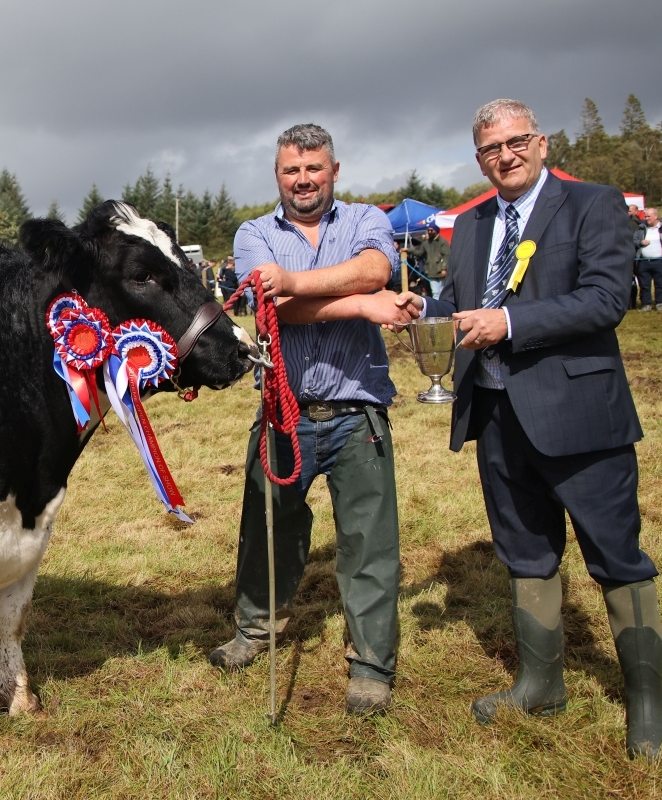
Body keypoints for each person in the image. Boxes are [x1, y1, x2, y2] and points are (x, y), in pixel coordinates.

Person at [393, 99, 662, 760]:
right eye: (492, 148)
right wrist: (424, 308)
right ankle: (541, 683)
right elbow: (464, 303)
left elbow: (608, 298)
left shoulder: (592, 204)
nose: (506, 156)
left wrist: (511, 324)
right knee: (525, 554)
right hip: (495, 417)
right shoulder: (473, 223)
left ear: (541, 143)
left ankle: (645, 706)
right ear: (480, 158)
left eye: (517, 142)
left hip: (582, 420)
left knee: (617, 558)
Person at [208, 123, 418, 717]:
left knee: (368, 544)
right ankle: (256, 630)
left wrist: (301, 283)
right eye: (291, 171)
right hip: (284, 411)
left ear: (334, 170)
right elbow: (276, 307)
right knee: (266, 531)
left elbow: (375, 268)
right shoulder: (253, 234)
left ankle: (372, 663)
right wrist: (360, 304)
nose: (303, 180)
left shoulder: (365, 222)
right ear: (278, 176)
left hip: (359, 411)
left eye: (314, 169)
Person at [634, 207, 662, 311]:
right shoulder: (641, 228)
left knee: (660, 284)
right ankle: (646, 304)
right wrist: (640, 243)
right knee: (644, 285)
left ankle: (659, 303)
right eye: (645, 216)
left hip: (660, 261)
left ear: (656, 216)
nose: (646, 218)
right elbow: (634, 240)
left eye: (649, 216)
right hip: (644, 262)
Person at [412, 225, 450, 299]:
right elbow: (420, 253)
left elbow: (446, 255)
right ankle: (437, 308)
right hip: (431, 271)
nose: (429, 232)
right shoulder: (426, 243)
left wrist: (444, 268)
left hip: (441, 271)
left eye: (431, 230)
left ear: (436, 231)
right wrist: (408, 250)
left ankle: (444, 307)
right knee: (435, 292)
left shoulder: (443, 242)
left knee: (442, 291)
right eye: (428, 230)